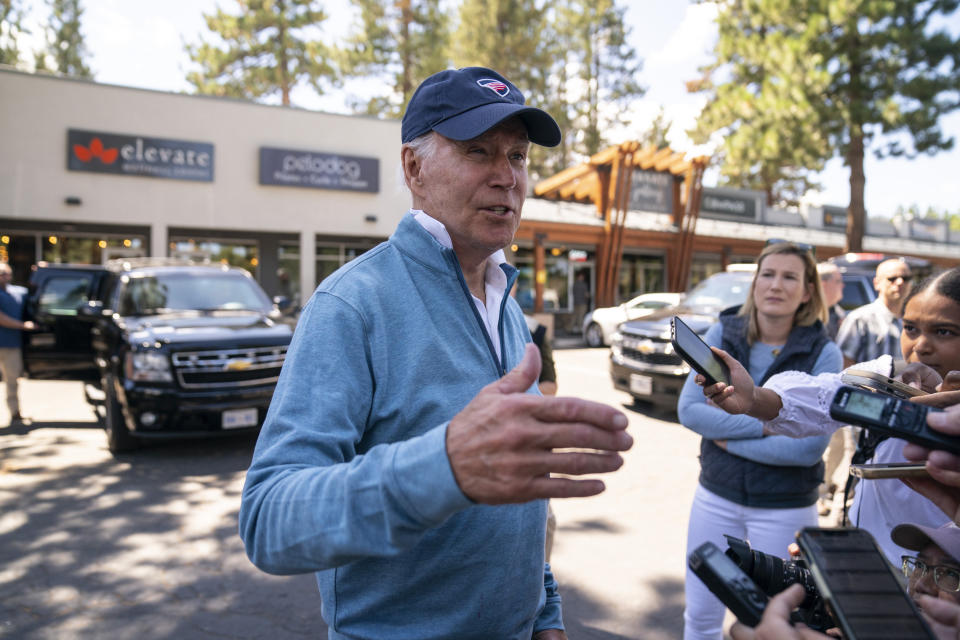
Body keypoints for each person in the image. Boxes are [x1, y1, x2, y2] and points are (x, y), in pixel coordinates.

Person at [238, 67, 633, 640]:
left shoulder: (505, 303)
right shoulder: (353, 304)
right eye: (478, 152)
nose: (506, 178)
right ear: (414, 167)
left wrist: (544, 612)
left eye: (518, 157)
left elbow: (518, 502)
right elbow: (269, 521)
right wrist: (442, 467)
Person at [701, 266, 960, 563]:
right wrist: (754, 398)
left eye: (944, 332)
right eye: (911, 328)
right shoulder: (888, 375)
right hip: (871, 565)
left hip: (942, 587)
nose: (921, 346)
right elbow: (822, 399)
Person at [678, 241, 842, 640]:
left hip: (785, 507)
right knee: (700, 617)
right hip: (716, 494)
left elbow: (807, 449)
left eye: (790, 277)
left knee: (777, 624)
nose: (776, 285)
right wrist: (770, 423)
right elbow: (690, 412)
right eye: (767, 274)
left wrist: (729, 438)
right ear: (754, 284)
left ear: (807, 291)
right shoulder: (724, 332)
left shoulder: (824, 351)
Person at [815, 262, 854, 521]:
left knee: (839, 445)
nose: (843, 287)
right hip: (815, 396)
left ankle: (823, 487)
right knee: (820, 446)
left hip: (837, 393)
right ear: (825, 283)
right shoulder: (810, 316)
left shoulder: (837, 314)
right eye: (839, 281)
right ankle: (817, 492)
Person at [836, 257, 912, 369]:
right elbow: (843, 364)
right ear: (877, 283)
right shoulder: (859, 318)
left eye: (906, 278)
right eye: (892, 278)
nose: (900, 282)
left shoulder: (914, 321)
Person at [0, 262, 34, 425]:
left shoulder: (18, 292)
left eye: (7, 273)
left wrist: (39, 272)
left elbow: (35, 295)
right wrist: (22, 325)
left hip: (11, 344)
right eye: (1, 274)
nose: (4, 277)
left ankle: (15, 412)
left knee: (12, 380)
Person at [817, 262, 845, 341]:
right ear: (823, 285)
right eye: (838, 281)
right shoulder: (807, 315)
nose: (843, 285)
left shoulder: (838, 312)